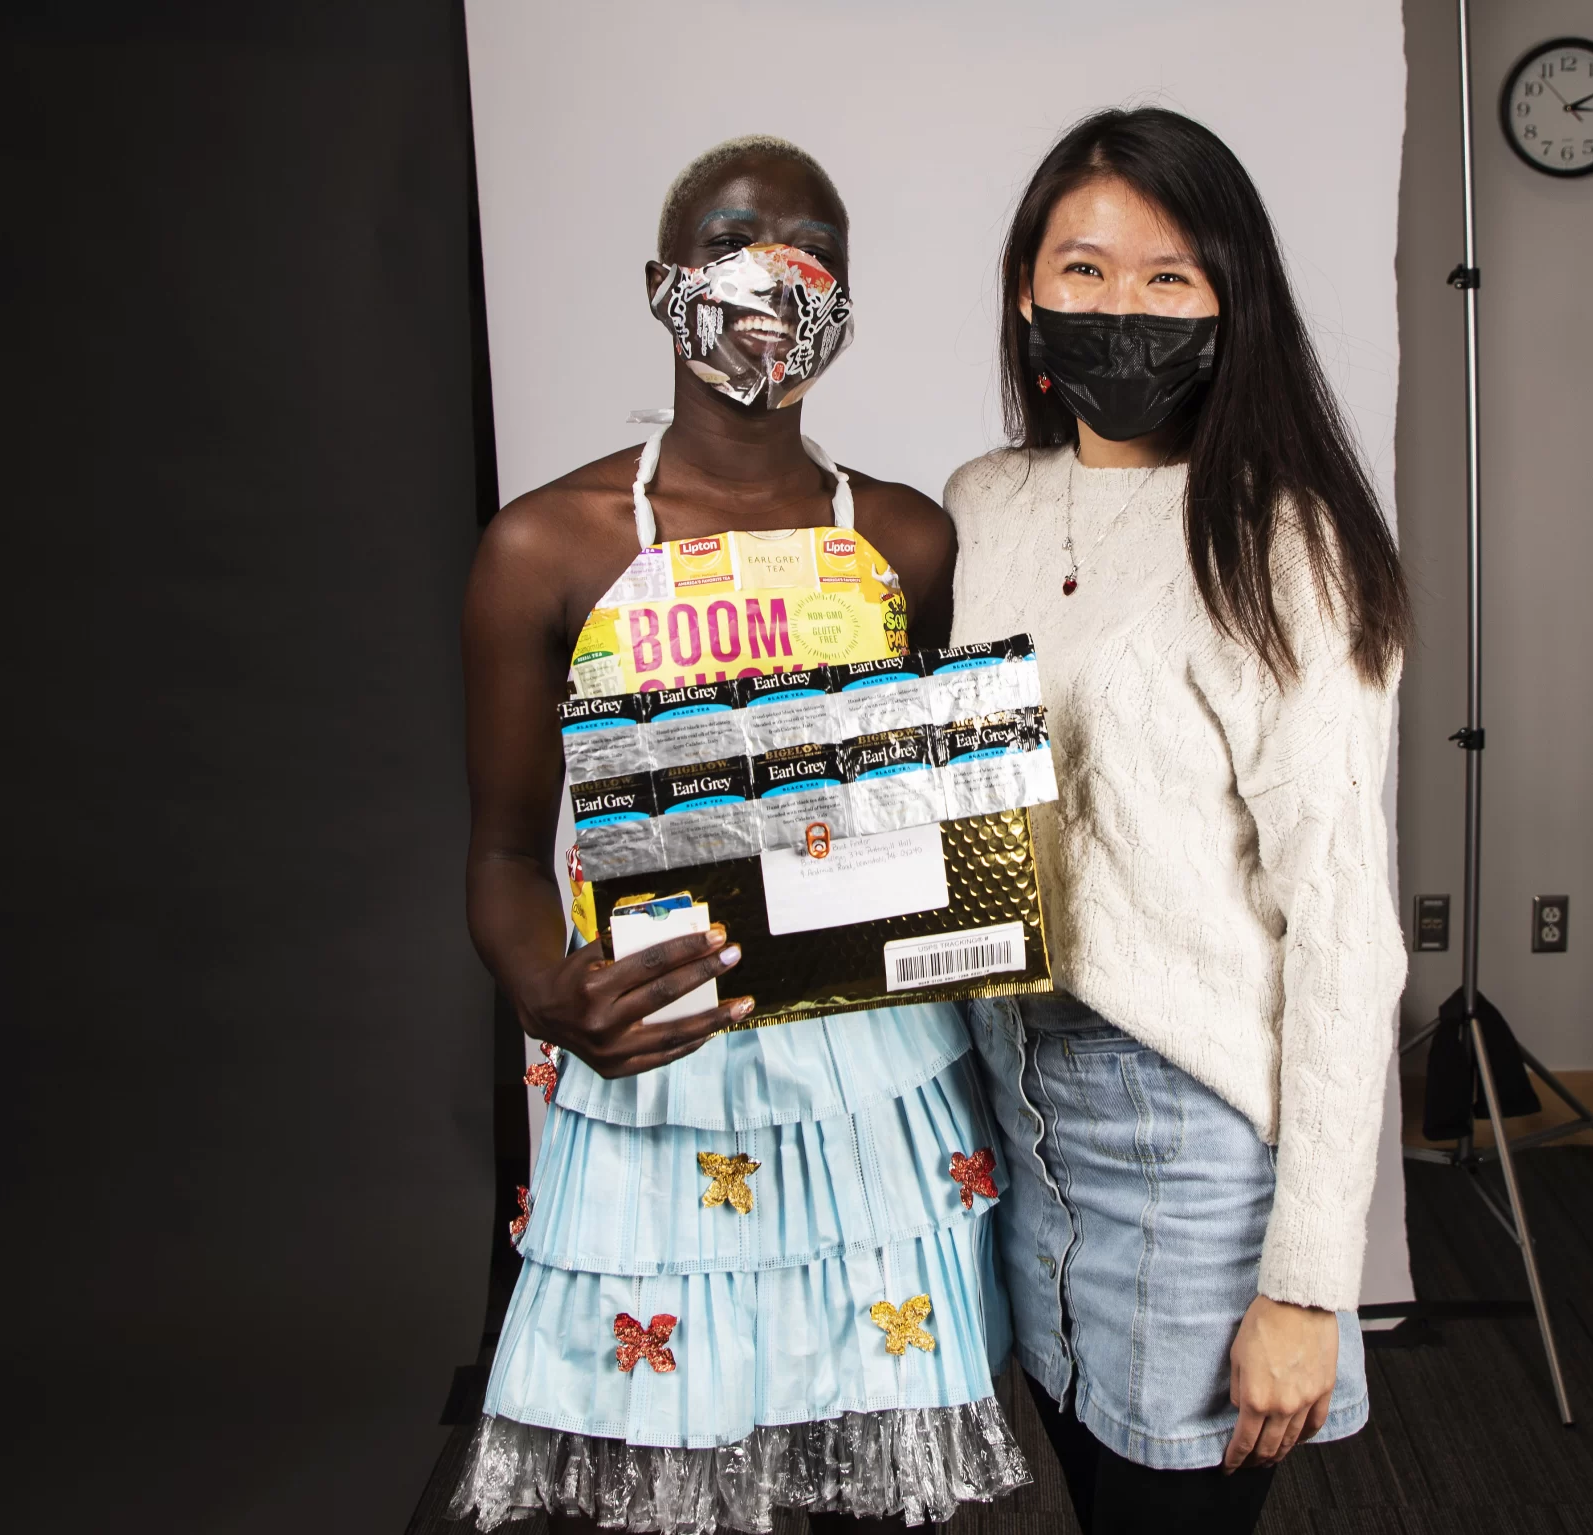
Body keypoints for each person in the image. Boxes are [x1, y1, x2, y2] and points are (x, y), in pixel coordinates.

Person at [448, 135, 1029, 1534]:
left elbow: (954, 820)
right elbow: (506, 862)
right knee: (674, 1476)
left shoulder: (908, 539)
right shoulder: (546, 545)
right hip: (662, 1066)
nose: (774, 282)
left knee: (879, 1475)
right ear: (666, 284)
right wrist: (551, 991)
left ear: (844, 304)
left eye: (812, 254)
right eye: (732, 245)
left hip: (880, 1087)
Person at [945, 108, 1411, 1534]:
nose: (1119, 309)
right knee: (1090, 1490)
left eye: (1167, 278)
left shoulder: (1284, 537)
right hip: (1007, 1099)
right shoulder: (981, 503)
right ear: (1028, 293)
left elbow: (1341, 930)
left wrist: (1307, 1279)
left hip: (1186, 1125)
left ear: (1230, 304)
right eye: (1081, 270)